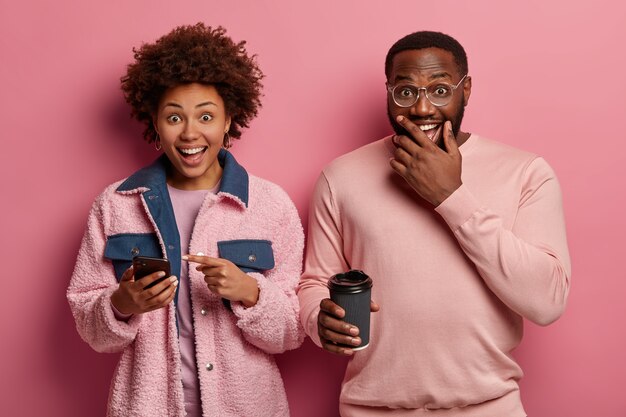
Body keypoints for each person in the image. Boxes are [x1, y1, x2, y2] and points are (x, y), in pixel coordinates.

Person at [297, 30, 571, 416]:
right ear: (389, 91)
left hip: (490, 408)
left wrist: (451, 196)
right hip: (371, 407)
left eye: (440, 90)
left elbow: (547, 302)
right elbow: (315, 281)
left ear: (466, 89)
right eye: (406, 92)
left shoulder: (525, 172)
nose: (422, 109)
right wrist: (316, 318)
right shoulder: (339, 177)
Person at [67, 23, 304, 417]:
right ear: (154, 124)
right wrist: (122, 303)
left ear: (229, 120)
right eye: (174, 118)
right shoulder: (116, 204)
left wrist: (250, 291)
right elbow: (90, 325)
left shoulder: (269, 205)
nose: (191, 133)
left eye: (206, 116)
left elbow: (293, 330)